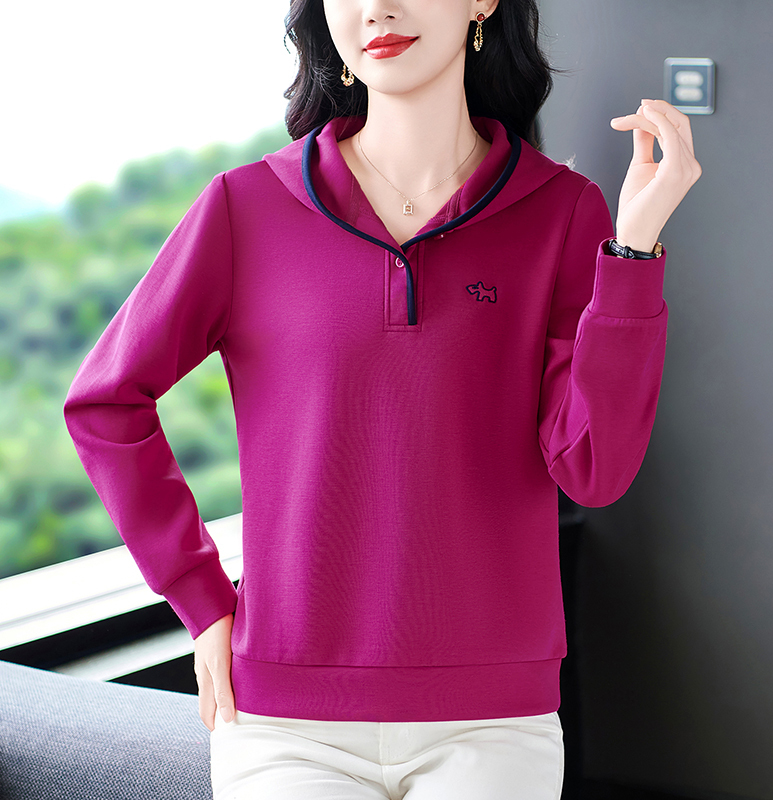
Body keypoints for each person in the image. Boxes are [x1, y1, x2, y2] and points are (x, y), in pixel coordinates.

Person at [63, 0, 701, 797]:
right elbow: (106, 402)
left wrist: (633, 253)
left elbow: (593, 469)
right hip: (285, 722)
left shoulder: (563, 211)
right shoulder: (245, 207)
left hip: (493, 719)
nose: (377, 8)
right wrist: (200, 598)